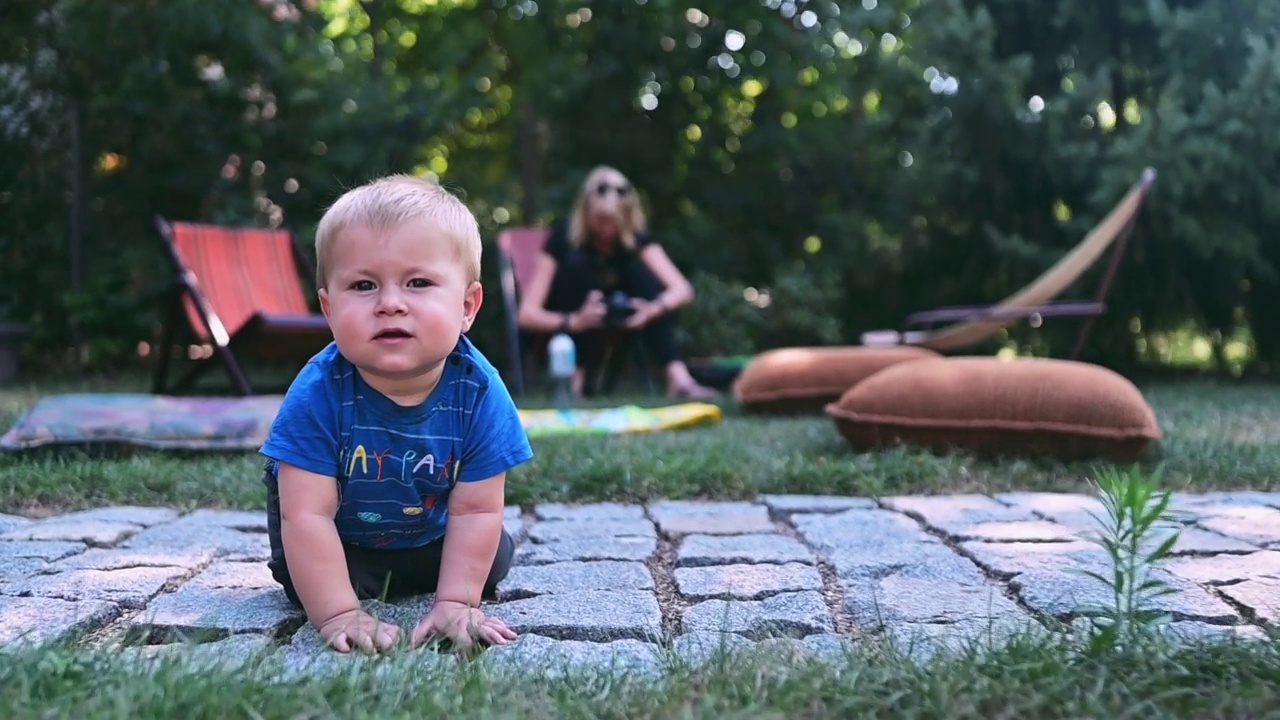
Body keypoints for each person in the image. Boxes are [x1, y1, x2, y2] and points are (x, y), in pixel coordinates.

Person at [258, 174, 533, 655]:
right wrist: (339, 612)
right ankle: (345, 592)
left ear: (467, 306)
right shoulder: (318, 392)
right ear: (328, 306)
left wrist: (457, 600)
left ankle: (432, 585)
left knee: (493, 553)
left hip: (429, 534)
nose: (390, 304)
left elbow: (476, 508)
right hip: (338, 541)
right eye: (363, 285)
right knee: (305, 575)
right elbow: (307, 515)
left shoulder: (479, 390)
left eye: (419, 283)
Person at [515, 165, 718, 399]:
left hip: (614, 330)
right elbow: (527, 315)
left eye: (614, 221)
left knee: (643, 279)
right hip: (564, 330)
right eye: (600, 219)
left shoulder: (634, 241)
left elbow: (682, 290)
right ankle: (575, 379)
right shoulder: (563, 237)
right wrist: (575, 320)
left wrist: (650, 310)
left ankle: (678, 379)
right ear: (586, 212)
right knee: (577, 265)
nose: (607, 229)